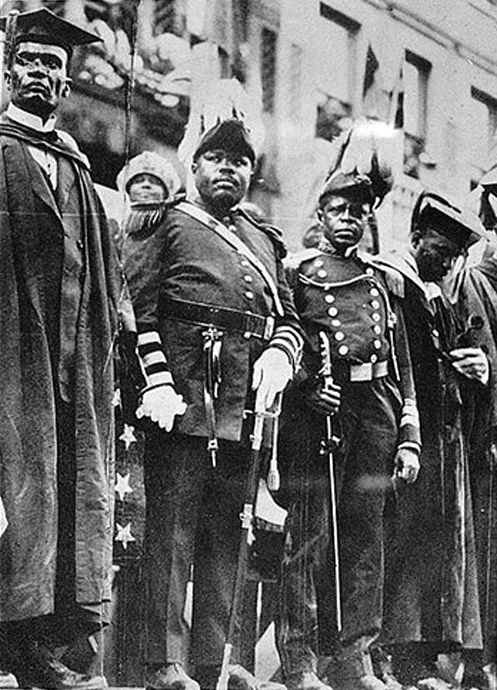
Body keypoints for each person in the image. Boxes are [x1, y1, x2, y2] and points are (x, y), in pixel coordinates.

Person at [124, 102, 304, 690]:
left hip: (241, 411)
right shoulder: (165, 223)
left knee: (230, 535)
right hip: (182, 400)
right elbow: (140, 311)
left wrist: (281, 352)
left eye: (240, 162)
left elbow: (288, 318)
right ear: (195, 165)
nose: (228, 170)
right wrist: (157, 380)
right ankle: (165, 663)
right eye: (216, 159)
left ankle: (212, 662)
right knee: (172, 537)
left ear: (252, 174)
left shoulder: (263, 238)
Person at [0, 8, 123, 689]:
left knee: (67, 499)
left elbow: (105, 276)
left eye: (54, 66)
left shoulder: (76, 168)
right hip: (14, 358)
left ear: (67, 85)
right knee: (17, 499)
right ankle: (14, 646)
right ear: (10, 70)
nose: (42, 74)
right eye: (32, 63)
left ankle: (51, 644)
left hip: (74, 364)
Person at [276, 167, 421, 690]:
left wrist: (409, 436)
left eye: (358, 213)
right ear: (320, 217)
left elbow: (400, 362)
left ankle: (355, 656)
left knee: (366, 537)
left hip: (375, 409)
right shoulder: (299, 274)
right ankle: (300, 659)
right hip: (324, 411)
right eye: (338, 211)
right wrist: (308, 386)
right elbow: (285, 339)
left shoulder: (384, 280)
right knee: (310, 532)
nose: (348, 221)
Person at [377, 192, 489, 690]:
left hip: (448, 444)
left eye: (451, 257)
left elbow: (462, 360)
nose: (444, 263)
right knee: (401, 550)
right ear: (416, 238)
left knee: (437, 553)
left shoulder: (438, 297)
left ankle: (429, 657)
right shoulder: (395, 289)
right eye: (437, 250)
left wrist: (479, 371)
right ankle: (399, 657)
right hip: (403, 440)